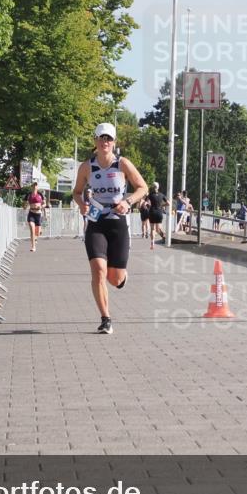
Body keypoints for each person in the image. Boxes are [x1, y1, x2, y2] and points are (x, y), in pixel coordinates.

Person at [73, 122, 147, 335]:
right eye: (101, 138)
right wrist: (81, 204)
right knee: (98, 270)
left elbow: (143, 187)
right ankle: (106, 318)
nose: (105, 142)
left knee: (114, 279)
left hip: (118, 223)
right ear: (95, 141)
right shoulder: (87, 167)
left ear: (114, 142)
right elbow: (77, 192)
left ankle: (122, 277)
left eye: (109, 138)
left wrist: (128, 202)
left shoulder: (122, 164)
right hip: (96, 223)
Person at [24, 181, 45, 252]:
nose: (34, 187)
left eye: (36, 185)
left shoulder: (40, 194)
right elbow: (24, 205)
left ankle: (38, 233)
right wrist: (25, 205)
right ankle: (33, 247)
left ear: (37, 187)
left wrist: (41, 206)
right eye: (33, 186)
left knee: (37, 233)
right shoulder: (28, 195)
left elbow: (45, 204)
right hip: (31, 213)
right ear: (31, 187)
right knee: (32, 229)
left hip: (38, 214)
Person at [147, 181, 167, 250]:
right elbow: (169, 203)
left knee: (152, 229)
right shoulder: (162, 195)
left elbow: (146, 202)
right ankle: (164, 237)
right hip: (159, 212)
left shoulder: (150, 195)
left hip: (152, 211)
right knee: (158, 229)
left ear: (153, 187)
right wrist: (161, 205)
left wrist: (148, 205)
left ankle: (152, 243)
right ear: (158, 187)